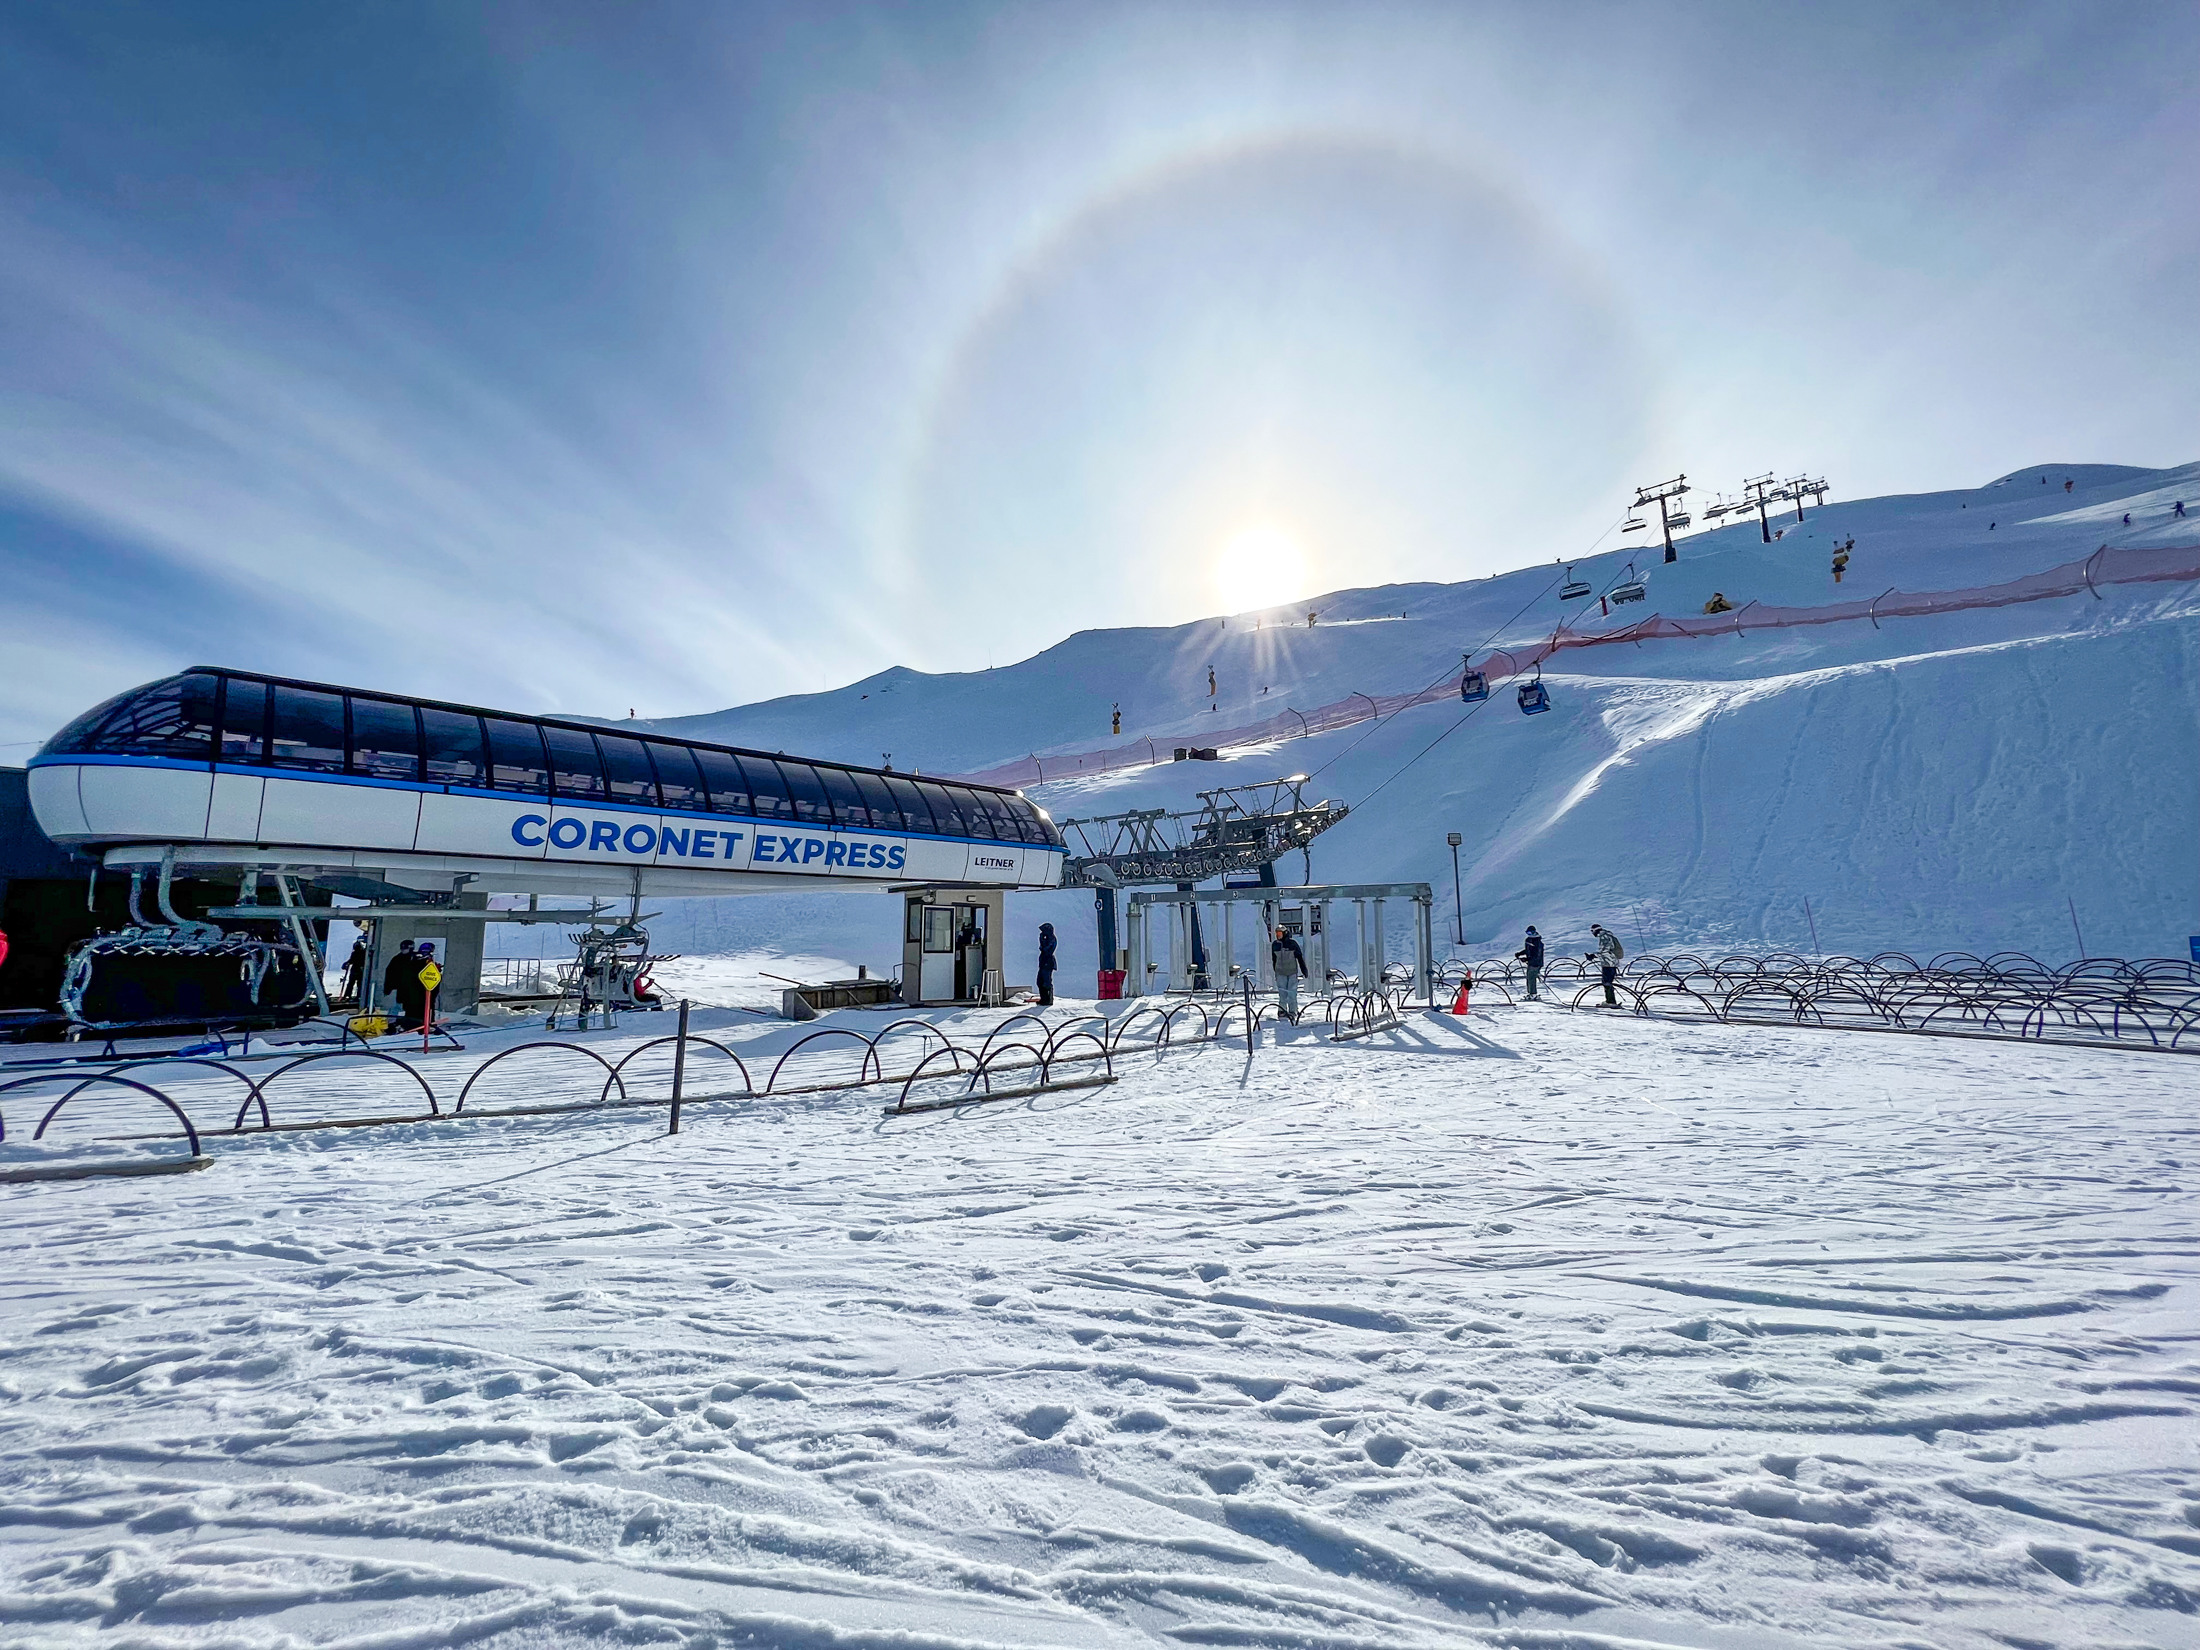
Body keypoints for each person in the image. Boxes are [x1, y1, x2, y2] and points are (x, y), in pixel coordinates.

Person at [1271, 925, 1307, 1019]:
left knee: (1292, 993)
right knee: (1282, 993)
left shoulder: (1292, 944)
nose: (1278, 936)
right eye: (1277, 934)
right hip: (1280, 972)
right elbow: (1274, 959)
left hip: (1292, 972)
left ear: (1285, 933)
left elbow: (1299, 957)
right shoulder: (1275, 945)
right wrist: (1275, 970)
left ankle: (1293, 1010)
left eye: (1280, 933)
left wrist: (1304, 970)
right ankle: (1282, 1010)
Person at [1585, 923, 1624, 1006]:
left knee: (1606, 982)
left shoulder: (1604, 937)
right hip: (1611, 962)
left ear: (1595, 930)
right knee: (1607, 982)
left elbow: (1605, 951)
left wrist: (1593, 955)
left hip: (1608, 963)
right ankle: (1610, 1000)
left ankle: (1610, 1002)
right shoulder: (1608, 935)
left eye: (1592, 931)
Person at [381, 938, 418, 1018]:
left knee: (410, 1007)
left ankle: (407, 1022)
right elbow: (389, 973)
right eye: (402, 948)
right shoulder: (397, 959)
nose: (403, 950)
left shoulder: (415, 959)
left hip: (411, 989)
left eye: (405, 948)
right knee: (395, 1007)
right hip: (397, 988)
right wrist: (388, 988)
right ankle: (390, 1023)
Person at [1515, 925, 1544, 1000]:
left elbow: (1537, 954)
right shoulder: (1528, 940)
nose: (1529, 934)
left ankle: (1533, 994)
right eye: (1528, 933)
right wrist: (1520, 953)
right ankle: (1530, 993)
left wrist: (1527, 959)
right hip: (1531, 962)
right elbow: (1528, 950)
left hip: (1536, 963)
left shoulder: (1538, 942)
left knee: (1532, 977)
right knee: (1528, 977)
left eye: (1530, 933)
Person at [339, 935, 369, 1006]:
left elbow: (353, 960)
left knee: (356, 984)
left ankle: (355, 996)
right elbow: (352, 960)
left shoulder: (362, 953)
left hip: (359, 970)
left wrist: (347, 963)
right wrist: (347, 963)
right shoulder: (359, 952)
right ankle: (350, 995)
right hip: (356, 969)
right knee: (354, 983)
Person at [1035, 922, 1057, 1007]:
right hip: (1044, 962)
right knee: (1040, 981)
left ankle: (1048, 999)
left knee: (1046, 981)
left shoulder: (1051, 938)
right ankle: (1044, 998)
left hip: (1048, 962)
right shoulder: (1047, 937)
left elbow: (1046, 949)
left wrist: (1042, 940)